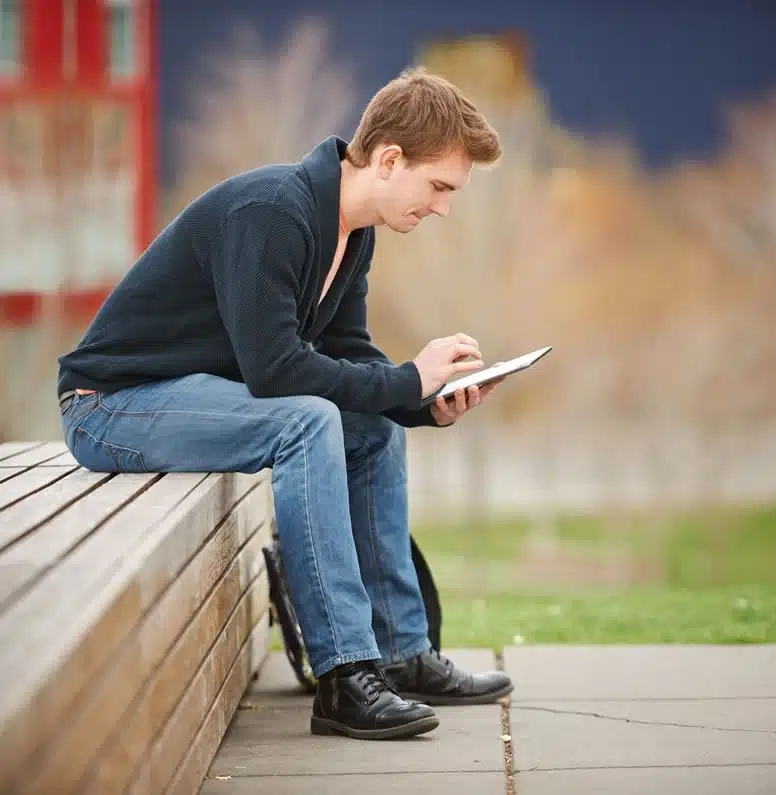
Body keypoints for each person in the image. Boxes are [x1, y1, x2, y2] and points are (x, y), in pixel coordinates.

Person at [56, 67, 513, 741]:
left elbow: (351, 356)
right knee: (308, 420)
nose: (443, 207)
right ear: (389, 159)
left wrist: (422, 403)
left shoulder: (352, 235)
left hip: (190, 400)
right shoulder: (274, 213)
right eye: (439, 187)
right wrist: (408, 380)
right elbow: (277, 373)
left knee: (373, 432)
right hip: (112, 405)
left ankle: (401, 651)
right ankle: (344, 676)